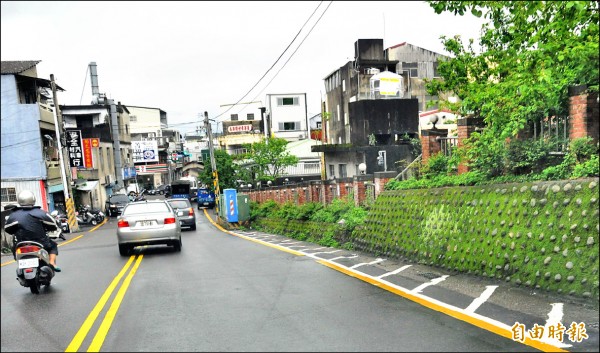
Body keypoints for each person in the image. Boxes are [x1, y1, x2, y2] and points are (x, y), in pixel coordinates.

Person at [3, 190, 61, 272]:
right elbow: (53, 225)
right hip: (41, 242)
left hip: (21, 243)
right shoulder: (41, 213)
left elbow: (8, 229)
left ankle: (20, 263)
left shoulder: (13, 215)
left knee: (14, 248)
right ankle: (52, 263)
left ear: (19, 200)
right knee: (53, 245)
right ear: (33, 199)